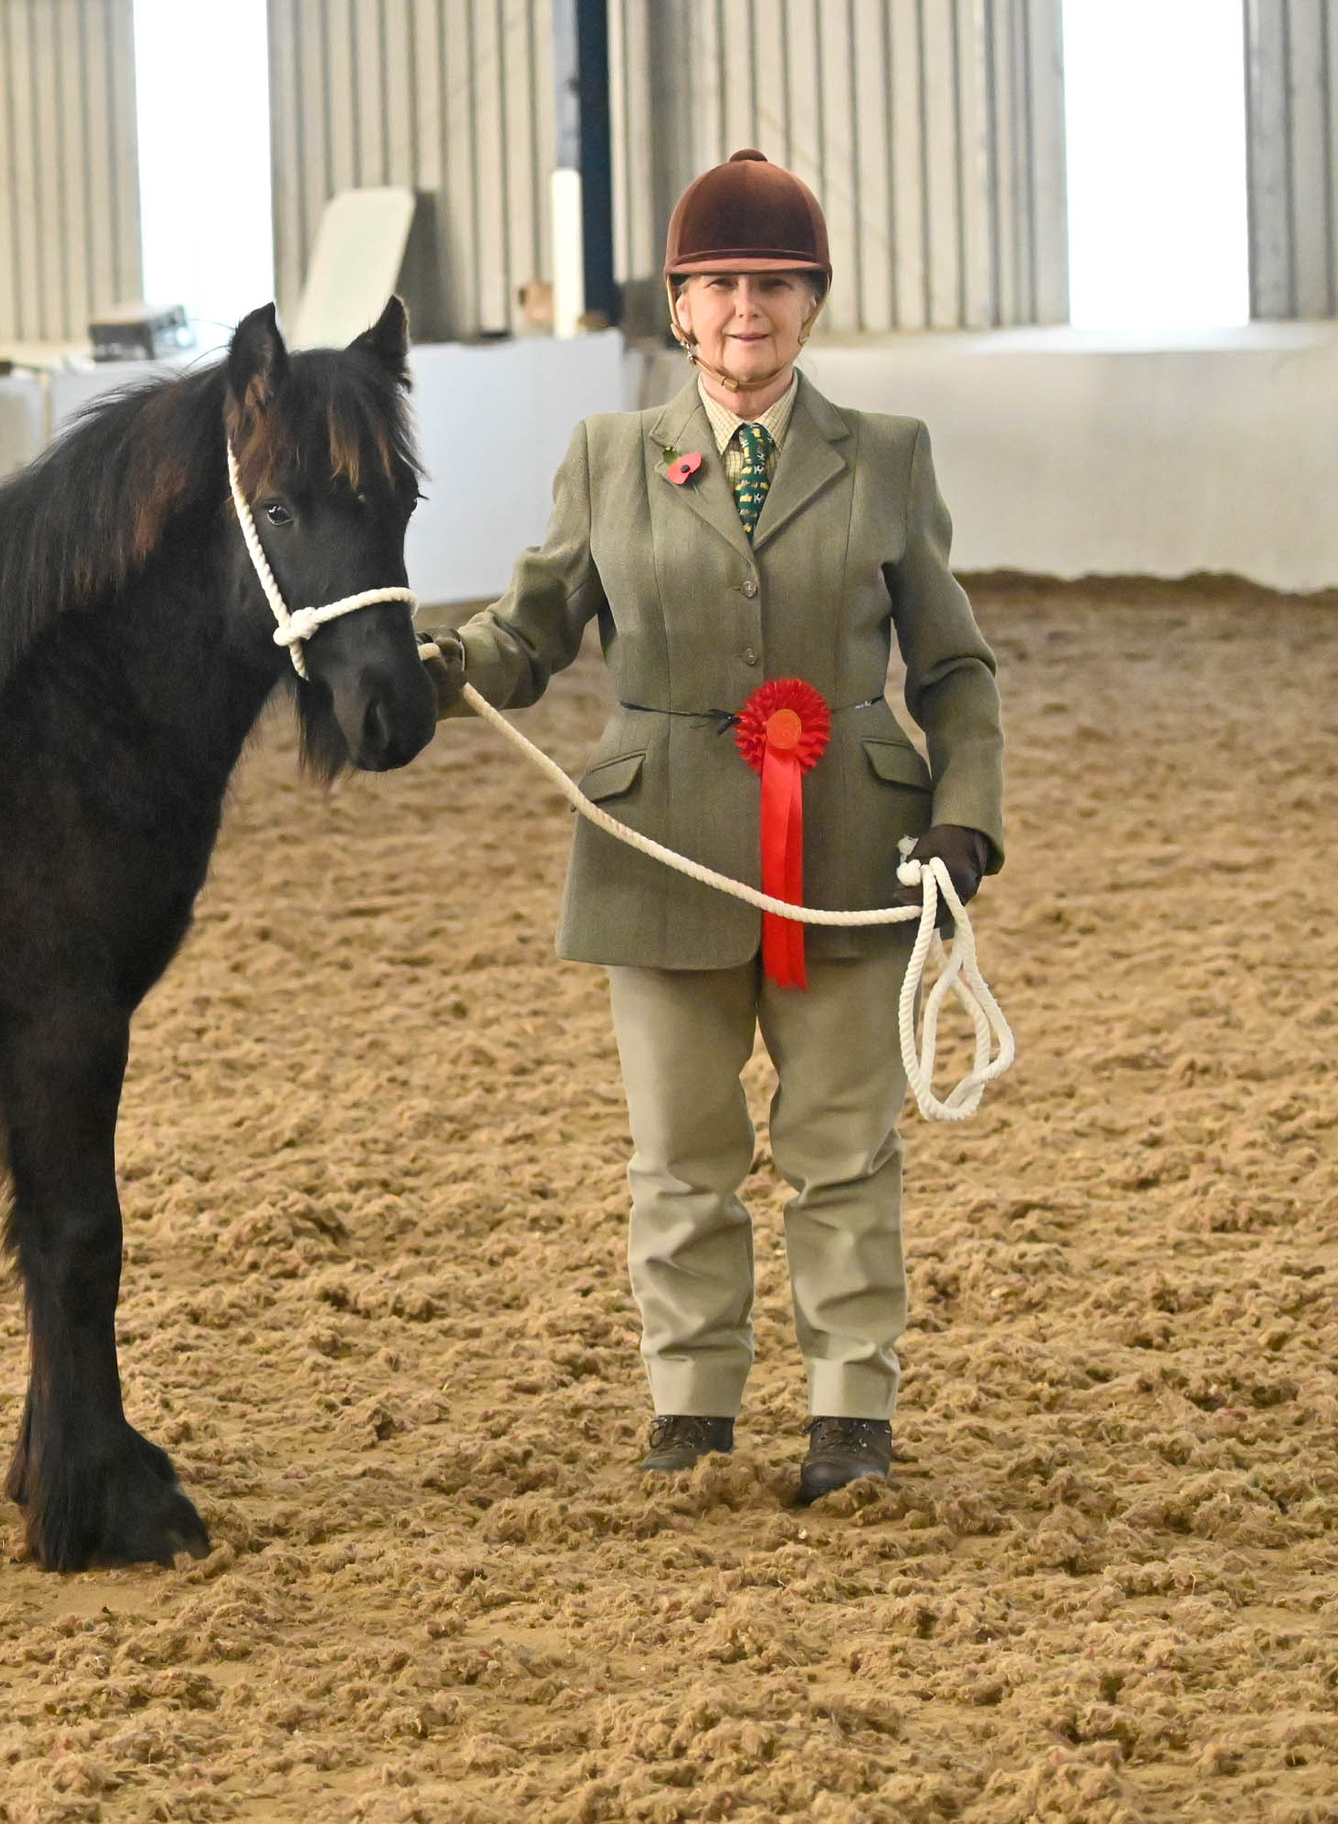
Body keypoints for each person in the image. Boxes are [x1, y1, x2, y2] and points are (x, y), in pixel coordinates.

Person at [419, 150, 1005, 1503]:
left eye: (777, 284)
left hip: (854, 853)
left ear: (813, 303)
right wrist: (436, 675)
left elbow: (958, 671)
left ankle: (851, 1417)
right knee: (680, 1158)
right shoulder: (607, 459)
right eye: (723, 283)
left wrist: (966, 822)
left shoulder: (891, 459)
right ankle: (693, 1411)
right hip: (657, 849)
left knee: (843, 1149)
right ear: (681, 308)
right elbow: (532, 632)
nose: (751, 307)